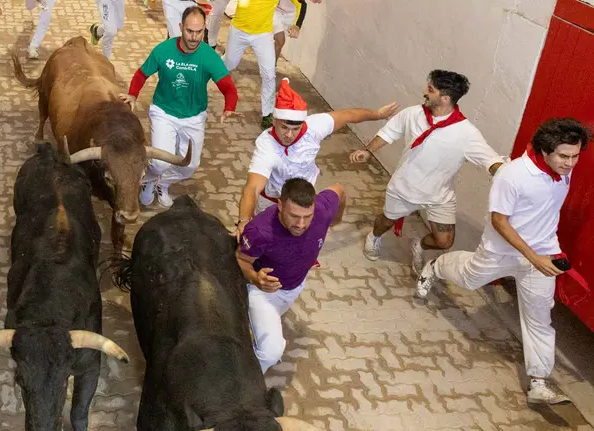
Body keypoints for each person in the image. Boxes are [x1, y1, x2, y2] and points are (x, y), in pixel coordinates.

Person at [416, 117, 590, 405]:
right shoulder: (512, 176)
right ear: (545, 150)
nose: (570, 163)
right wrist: (531, 256)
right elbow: (499, 221)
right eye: (564, 156)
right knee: (470, 278)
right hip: (501, 252)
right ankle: (435, 266)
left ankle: (538, 382)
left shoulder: (561, 170)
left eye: (575, 156)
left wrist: (540, 256)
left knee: (539, 318)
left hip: (543, 254)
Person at [349, 69, 506, 275]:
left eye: (430, 90)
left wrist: (513, 175)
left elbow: (491, 161)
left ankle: (419, 246)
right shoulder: (413, 114)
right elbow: (389, 133)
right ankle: (374, 237)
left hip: (439, 196)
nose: (425, 92)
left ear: (445, 98)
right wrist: (368, 150)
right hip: (404, 187)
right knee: (385, 222)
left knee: (444, 241)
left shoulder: (466, 133)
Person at [234, 77, 398, 237]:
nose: (289, 135)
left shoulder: (314, 126)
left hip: (304, 196)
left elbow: (349, 115)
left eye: (296, 129)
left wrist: (378, 114)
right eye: (284, 127)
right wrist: (244, 221)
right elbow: (253, 187)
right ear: (274, 121)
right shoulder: (266, 145)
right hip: (272, 200)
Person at [121, 6, 240, 207]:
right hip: (163, 113)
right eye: (189, 31)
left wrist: (230, 106)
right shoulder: (163, 50)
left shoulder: (209, 56)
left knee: (189, 166)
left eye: (199, 32)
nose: (194, 37)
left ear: (204, 30)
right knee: (159, 162)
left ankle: (161, 182)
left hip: (194, 117)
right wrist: (133, 94)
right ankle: (149, 180)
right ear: (180, 27)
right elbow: (142, 74)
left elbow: (228, 86)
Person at [236, 178, 344, 372]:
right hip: (264, 292)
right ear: (279, 205)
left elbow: (338, 188)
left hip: (296, 285)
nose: (301, 224)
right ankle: (243, 381)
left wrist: (336, 219)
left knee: (269, 325)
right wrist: (255, 278)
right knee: (271, 352)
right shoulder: (260, 231)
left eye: (307, 216)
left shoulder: (323, 210)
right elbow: (241, 260)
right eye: (294, 216)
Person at [223, 0, 317, 129]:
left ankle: (267, 113)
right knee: (229, 64)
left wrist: (297, 25)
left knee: (269, 74)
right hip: (238, 32)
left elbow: (301, 3)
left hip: (262, 36)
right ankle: (207, 68)